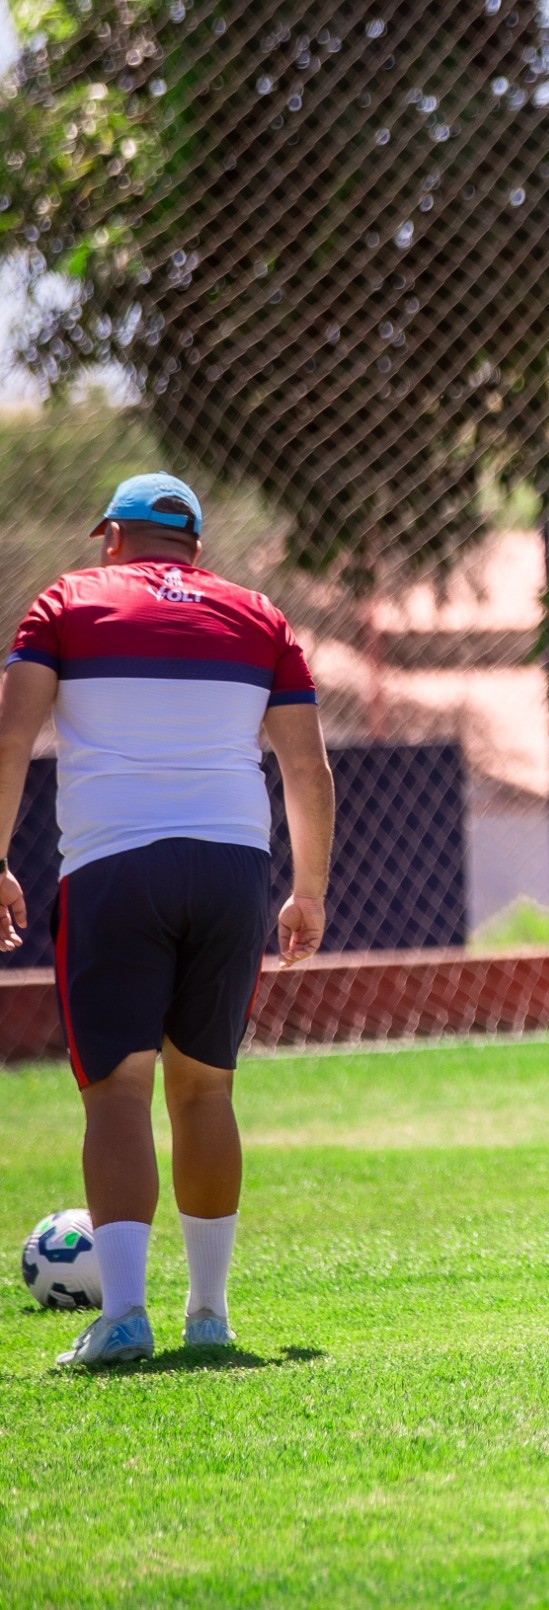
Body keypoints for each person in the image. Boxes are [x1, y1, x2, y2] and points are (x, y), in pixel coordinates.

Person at [0, 473, 334, 1366]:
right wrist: (309, 891)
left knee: (117, 1090)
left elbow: (10, 735)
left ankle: (124, 1319)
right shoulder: (259, 615)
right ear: (193, 545)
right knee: (207, 1089)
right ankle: (212, 1316)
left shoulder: (65, 601)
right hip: (233, 867)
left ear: (113, 535)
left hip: (114, 867)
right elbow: (307, 770)